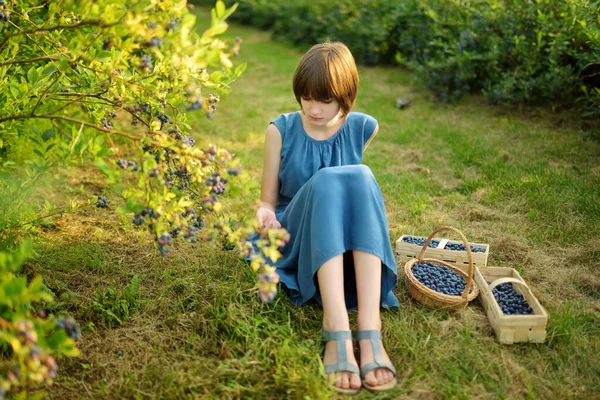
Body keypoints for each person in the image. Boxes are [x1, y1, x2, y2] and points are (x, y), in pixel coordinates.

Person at [255, 40, 398, 394]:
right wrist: (264, 214)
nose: (313, 108)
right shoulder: (281, 130)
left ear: (345, 97)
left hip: (344, 243)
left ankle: (369, 327)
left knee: (360, 176)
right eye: (306, 98)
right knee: (332, 179)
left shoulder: (363, 127)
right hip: (298, 233)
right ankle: (335, 328)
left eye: (325, 100)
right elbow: (266, 203)